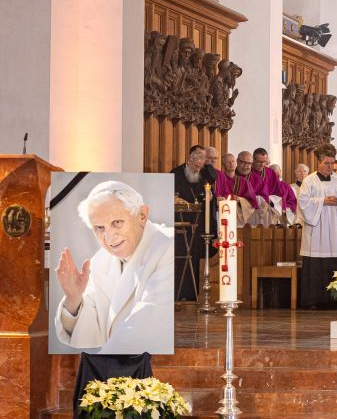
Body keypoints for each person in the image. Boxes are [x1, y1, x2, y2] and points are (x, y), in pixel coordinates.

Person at [54, 181, 174, 354]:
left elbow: (150, 320)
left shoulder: (168, 245)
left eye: (117, 222)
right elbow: (91, 333)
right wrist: (74, 299)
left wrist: (101, 370)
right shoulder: (100, 261)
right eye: (99, 228)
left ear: (142, 215)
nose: (109, 236)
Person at [297, 144, 337, 308]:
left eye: (332, 163)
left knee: (333, 265)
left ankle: (333, 300)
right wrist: (322, 201)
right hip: (315, 230)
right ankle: (312, 301)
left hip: (334, 230)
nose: (330, 167)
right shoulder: (309, 181)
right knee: (315, 267)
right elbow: (303, 203)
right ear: (319, 163)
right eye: (327, 163)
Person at [171, 145, 216, 300]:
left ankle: (193, 295)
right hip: (180, 226)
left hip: (199, 227)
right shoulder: (176, 174)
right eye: (198, 161)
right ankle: (178, 295)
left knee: (196, 259)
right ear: (190, 159)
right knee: (180, 260)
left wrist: (211, 198)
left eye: (203, 161)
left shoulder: (204, 176)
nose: (200, 166)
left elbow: (210, 197)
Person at [215, 153, 259, 226]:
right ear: (223, 165)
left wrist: (240, 199)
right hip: (222, 213)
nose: (231, 163)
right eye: (228, 162)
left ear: (236, 163)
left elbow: (253, 202)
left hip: (238, 216)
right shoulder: (219, 179)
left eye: (232, 161)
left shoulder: (244, 182)